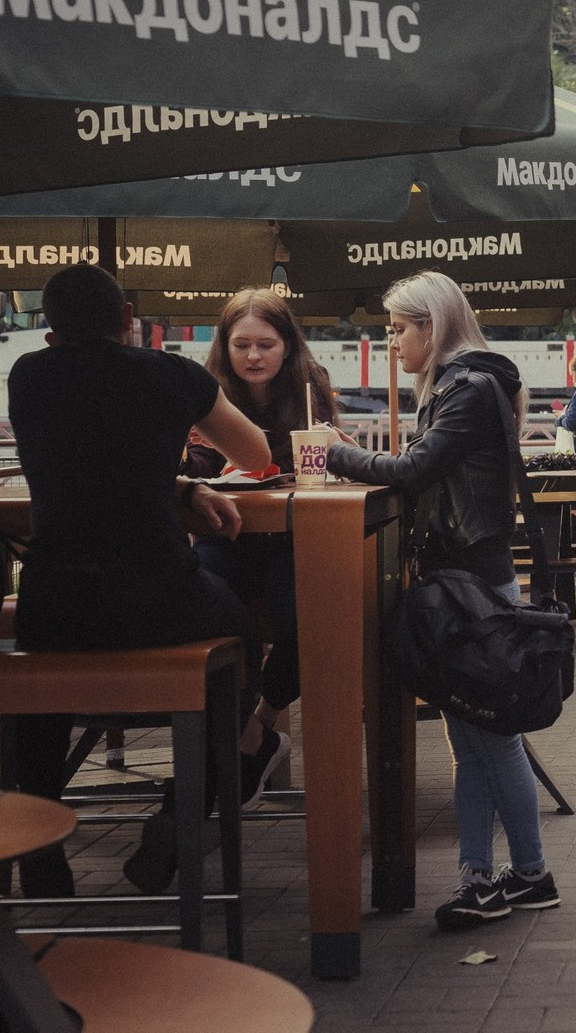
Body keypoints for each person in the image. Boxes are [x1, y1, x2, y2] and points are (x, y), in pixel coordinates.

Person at [7, 263, 271, 897]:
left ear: (48, 330)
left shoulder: (27, 375)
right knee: (245, 642)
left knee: (35, 672)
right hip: (156, 598)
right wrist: (185, 482)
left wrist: (178, 484)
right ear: (128, 320)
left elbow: (85, 465)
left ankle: (38, 841)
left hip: (54, 600)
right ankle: (180, 816)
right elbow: (257, 454)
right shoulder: (172, 374)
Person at [323, 271, 559, 931]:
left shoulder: (464, 389)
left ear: (434, 325)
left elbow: (411, 471)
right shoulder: (472, 384)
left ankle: (529, 874)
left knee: (492, 738)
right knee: (475, 738)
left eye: (399, 328)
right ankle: (485, 879)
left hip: (471, 585)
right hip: (472, 579)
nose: (393, 340)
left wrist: (335, 453)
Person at [183, 287, 339, 805]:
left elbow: (326, 461)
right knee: (206, 609)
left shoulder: (311, 388)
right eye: (241, 344)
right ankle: (250, 742)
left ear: (288, 346)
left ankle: (261, 720)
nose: (252, 356)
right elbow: (195, 466)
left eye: (265, 345)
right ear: (224, 347)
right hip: (227, 537)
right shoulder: (205, 392)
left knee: (313, 612)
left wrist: (337, 452)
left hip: (290, 539)